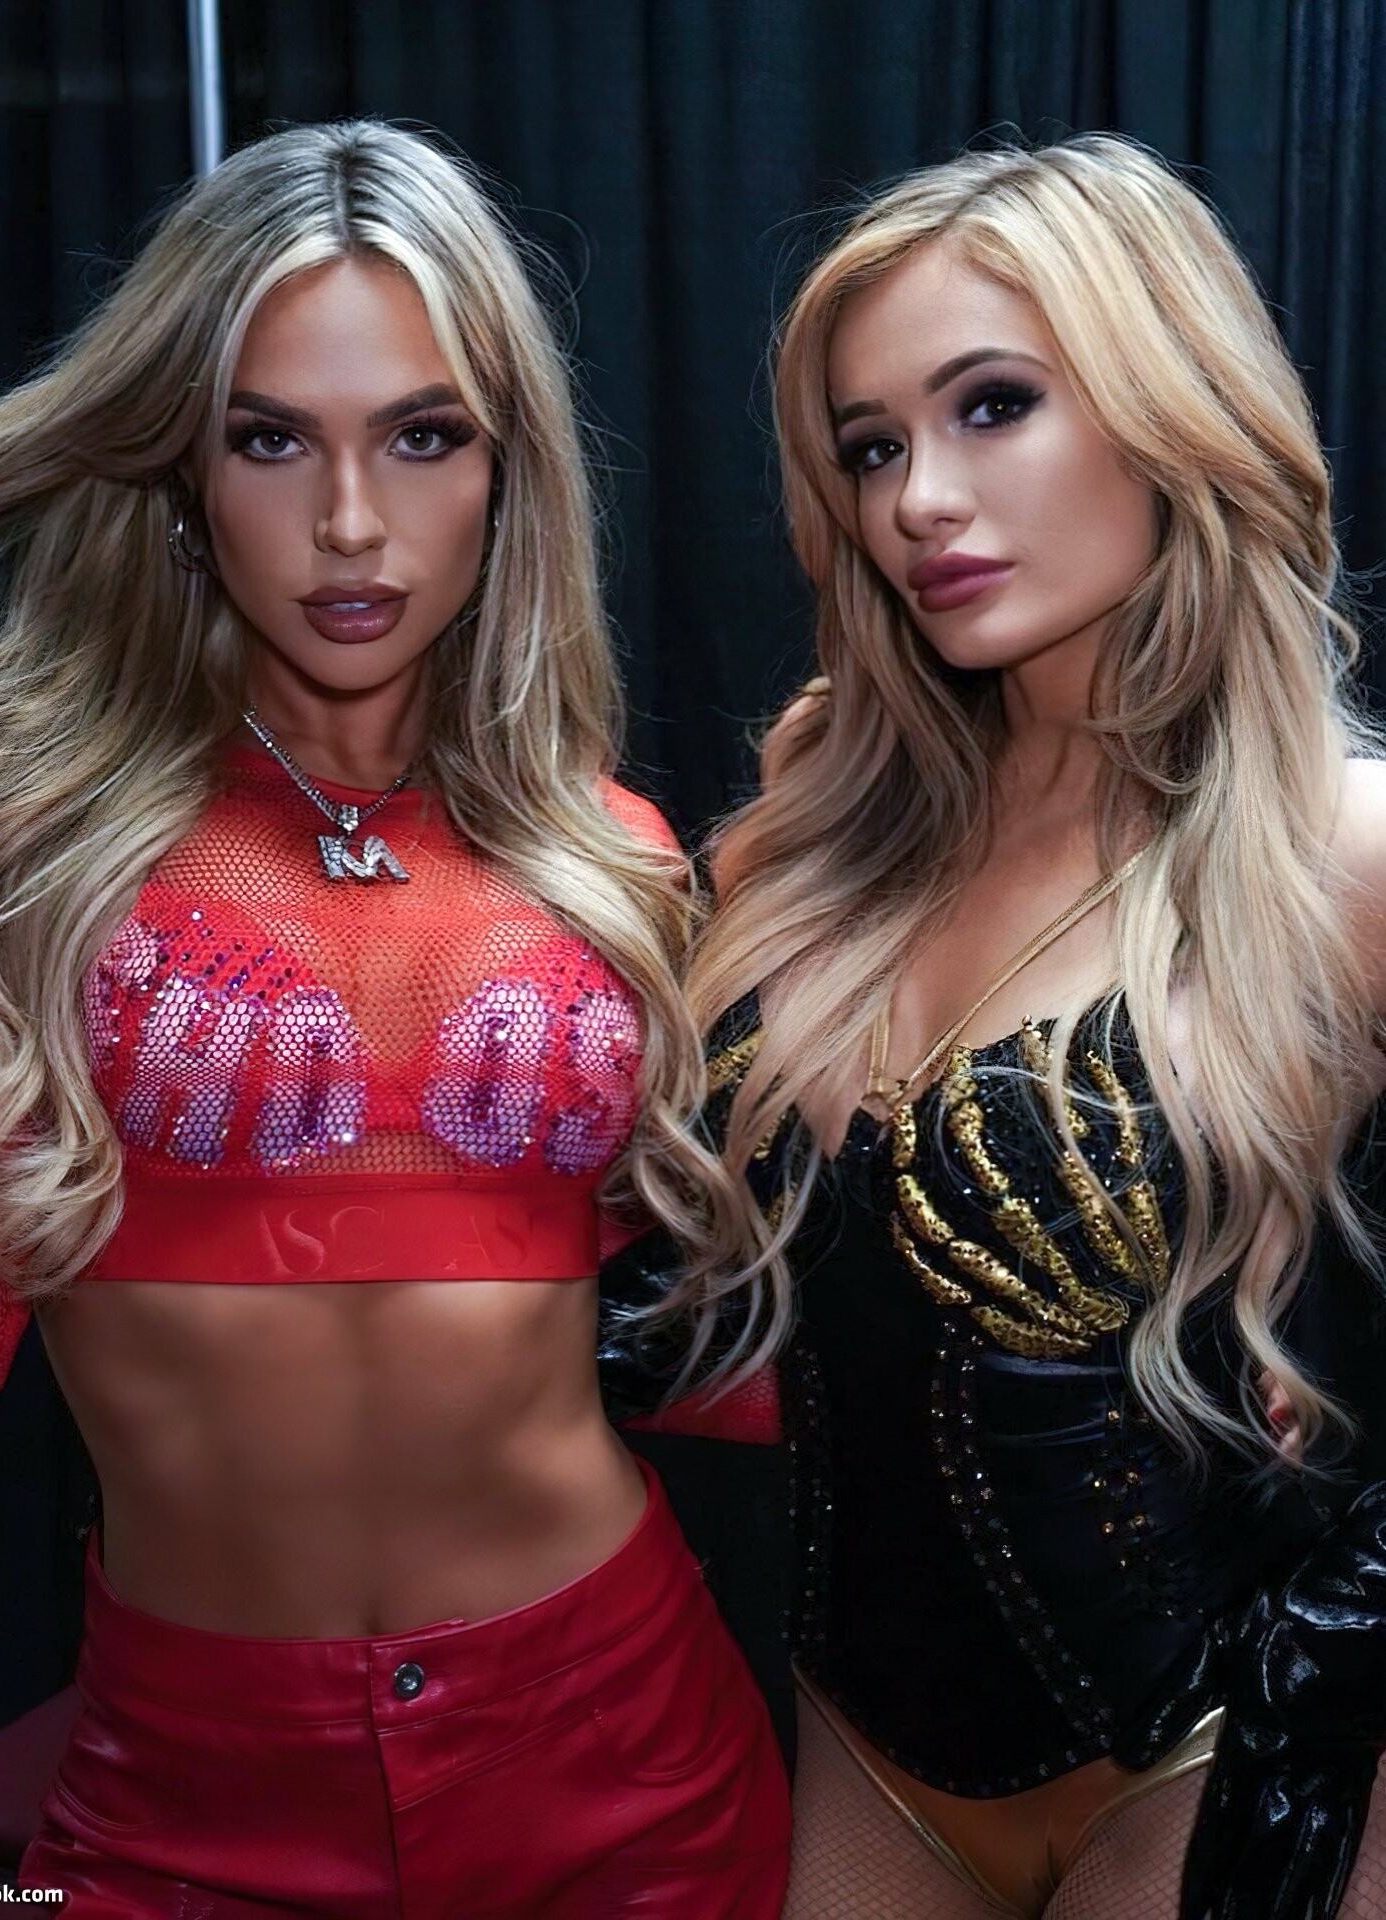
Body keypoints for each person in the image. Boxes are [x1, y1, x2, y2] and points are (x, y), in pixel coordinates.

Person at [0, 118, 789, 1917]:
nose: (350, 524)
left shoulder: (615, 859)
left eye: (423, 436)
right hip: (184, 1794)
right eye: (269, 439)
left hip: (625, 1762)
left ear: (506, 468)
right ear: (177, 468)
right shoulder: (27, 844)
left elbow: (719, 1351)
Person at [602, 133, 1386, 1919]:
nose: (917, 501)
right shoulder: (817, 842)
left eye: (991, 406)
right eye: (871, 447)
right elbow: (718, 1299)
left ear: (1165, 404)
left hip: (1213, 1761)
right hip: (856, 1740)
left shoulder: (1342, 850)